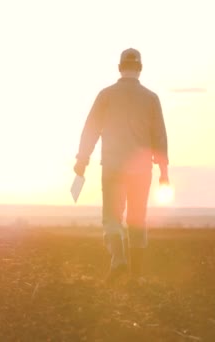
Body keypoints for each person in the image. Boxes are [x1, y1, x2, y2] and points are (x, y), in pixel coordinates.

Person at [74, 48, 169, 283]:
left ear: (119, 68)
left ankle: (119, 260)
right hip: (141, 170)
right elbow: (159, 136)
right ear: (140, 68)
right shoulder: (151, 98)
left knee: (112, 218)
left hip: (113, 167)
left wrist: (82, 160)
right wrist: (164, 171)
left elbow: (90, 130)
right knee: (137, 219)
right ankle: (136, 277)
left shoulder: (106, 95)